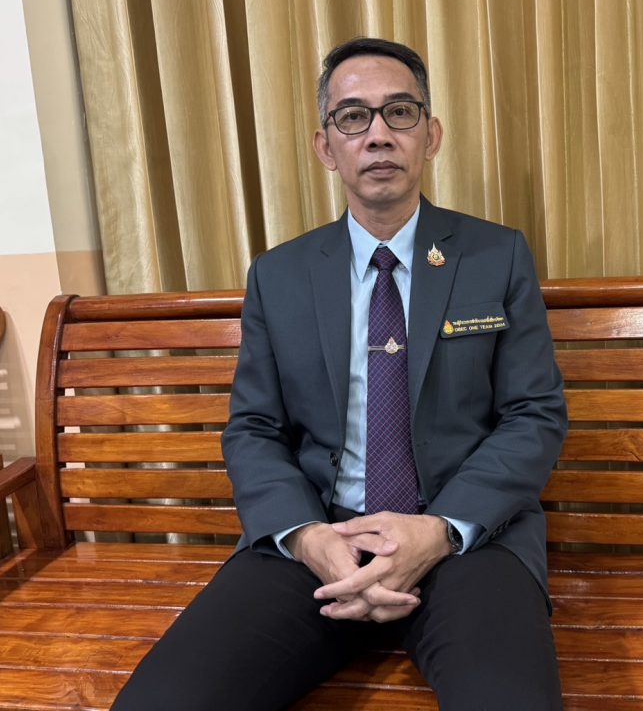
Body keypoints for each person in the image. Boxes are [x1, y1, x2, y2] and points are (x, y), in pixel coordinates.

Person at [112, 36, 568, 710]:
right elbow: (254, 428)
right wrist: (305, 536)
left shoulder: (494, 255)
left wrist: (441, 528)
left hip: (466, 540)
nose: (378, 134)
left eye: (400, 112)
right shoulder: (280, 275)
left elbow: (534, 414)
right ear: (326, 147)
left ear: (431, 135)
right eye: (353, 117)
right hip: (321, 537)